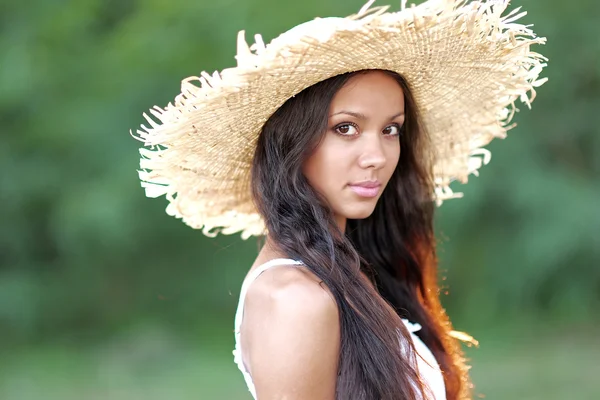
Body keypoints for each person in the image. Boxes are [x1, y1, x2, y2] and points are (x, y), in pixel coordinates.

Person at [132, 0, 547, 399]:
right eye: (346, 128)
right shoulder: (295, 299)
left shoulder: (350, 273)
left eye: (391, 130)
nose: (377, 157)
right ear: (291, 141)